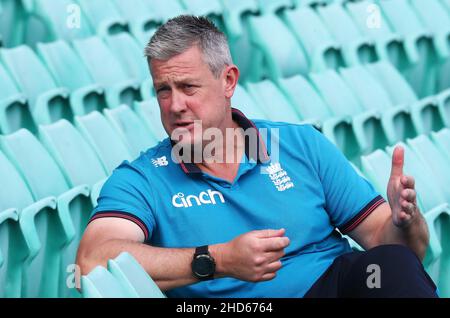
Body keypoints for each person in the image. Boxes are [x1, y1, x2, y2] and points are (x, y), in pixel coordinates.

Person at [76, 15, 437, 298]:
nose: (175, 105)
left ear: (228, 81)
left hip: (330, 285)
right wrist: (217, 260)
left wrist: (407, 222)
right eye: (163, 91)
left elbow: (400, 250)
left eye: (188, 87)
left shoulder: (301, 144)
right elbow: (92, 261)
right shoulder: (142, 178)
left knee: (392, 265)